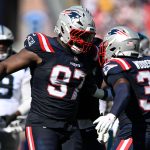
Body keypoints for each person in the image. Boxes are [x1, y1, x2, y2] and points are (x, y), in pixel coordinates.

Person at [0, 6, 106, 150]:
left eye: (87, 37)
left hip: (71, 127)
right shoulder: (43, 48)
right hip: (43, 125)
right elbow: (5, 67)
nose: (84, 41)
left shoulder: (89, 54)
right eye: (79, 35)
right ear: (64, 28)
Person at [94, 26, 150, 150]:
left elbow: (124, 92)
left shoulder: (118, 65)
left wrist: (111, 116)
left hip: (135, 132)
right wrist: (98, 93)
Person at [0, 25, 31, 150]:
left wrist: (15, 115)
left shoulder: (22, 67)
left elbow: (29, 99)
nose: (1, 46)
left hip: (10, 124)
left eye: (5, 43)